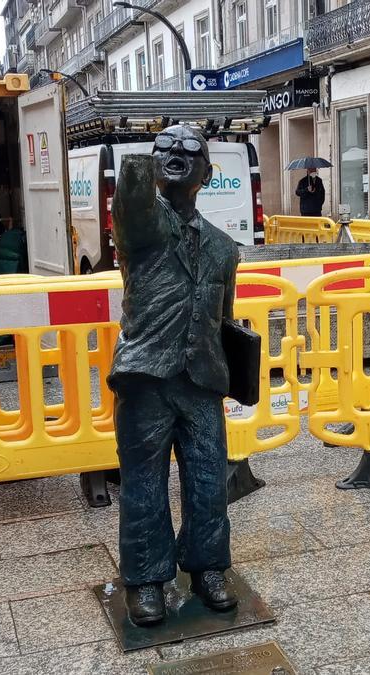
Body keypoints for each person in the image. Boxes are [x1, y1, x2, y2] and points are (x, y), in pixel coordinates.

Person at [109, 125, 240, 626]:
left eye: (191, 152)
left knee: (209, 481)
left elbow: (223, 318)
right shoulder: (143, 229)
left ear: (207, 174)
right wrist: (144, 156)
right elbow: (132, 199)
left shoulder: (225, 248)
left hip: (202, 380)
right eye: (165, 150)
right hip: (146, 378)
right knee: (144, 483)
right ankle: (145, 580)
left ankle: (208, 567)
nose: (176, 157)